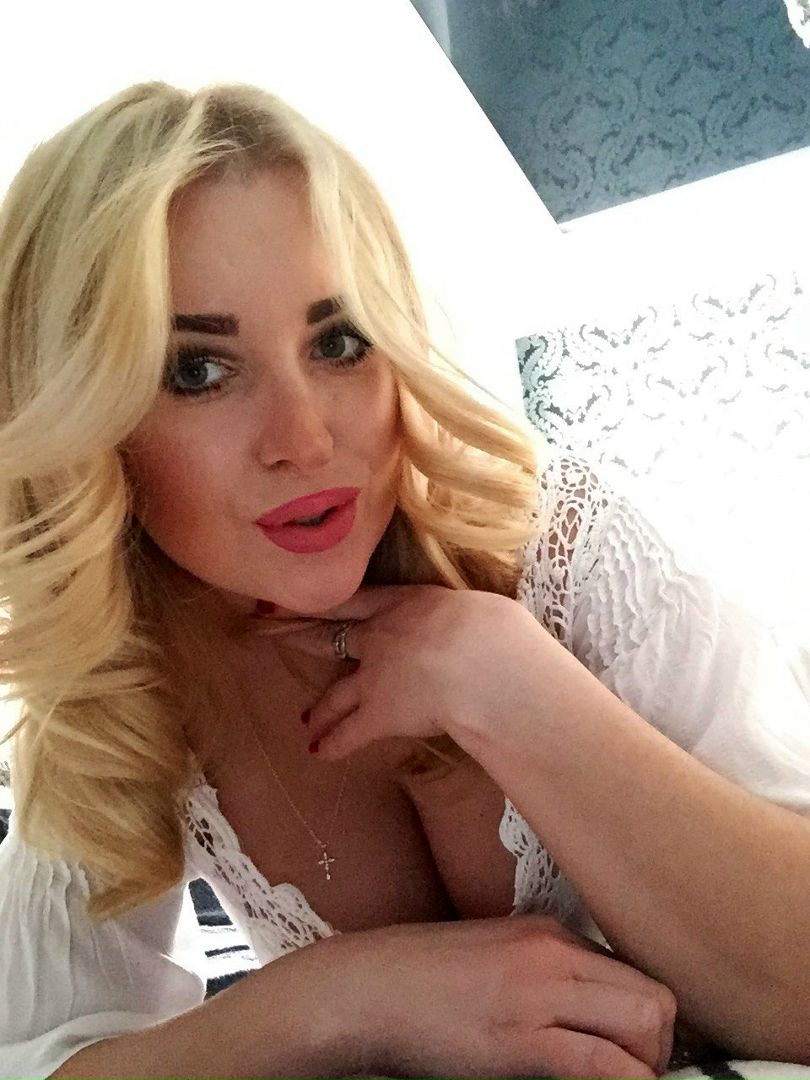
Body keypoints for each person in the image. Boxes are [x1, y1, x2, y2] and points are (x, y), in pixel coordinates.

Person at [0, 80, 808, 1080]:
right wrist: (339, 999)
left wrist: (511, 681)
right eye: (198, 371)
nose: (305, 439)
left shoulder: (553, 549)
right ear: (89, 419)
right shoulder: (124, 691)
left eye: (338, 342)